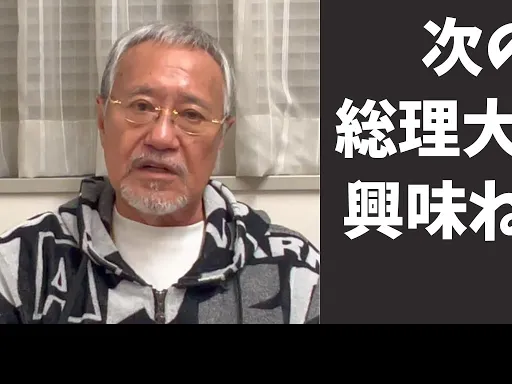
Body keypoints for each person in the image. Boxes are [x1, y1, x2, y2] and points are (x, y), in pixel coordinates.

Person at [0, 22, 320, 324]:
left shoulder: (295, 271)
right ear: (102, 119)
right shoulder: (23, 263)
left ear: (222, 134)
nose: (161, 137)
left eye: (192, 115)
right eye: (141, 107)